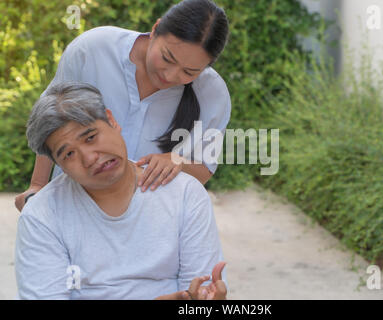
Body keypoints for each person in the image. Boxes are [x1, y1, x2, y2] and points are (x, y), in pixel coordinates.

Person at [15, 82, 227, 300]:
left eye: (90, 137)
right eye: (68, 154)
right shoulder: (41, 216)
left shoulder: (184, 194)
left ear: (112, 121)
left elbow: (201, 290)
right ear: (58, 164)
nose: (89, 158)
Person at [15, 0, 231, 212]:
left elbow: (205, 168)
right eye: (167, 58)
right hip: (72, 208)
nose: (170, 75)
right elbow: (52, 120)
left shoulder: (212, 94)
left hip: (151, 220)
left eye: (189, 72)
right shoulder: (94, 50)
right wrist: (38, 186)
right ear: (156, 29)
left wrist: (176, 162)